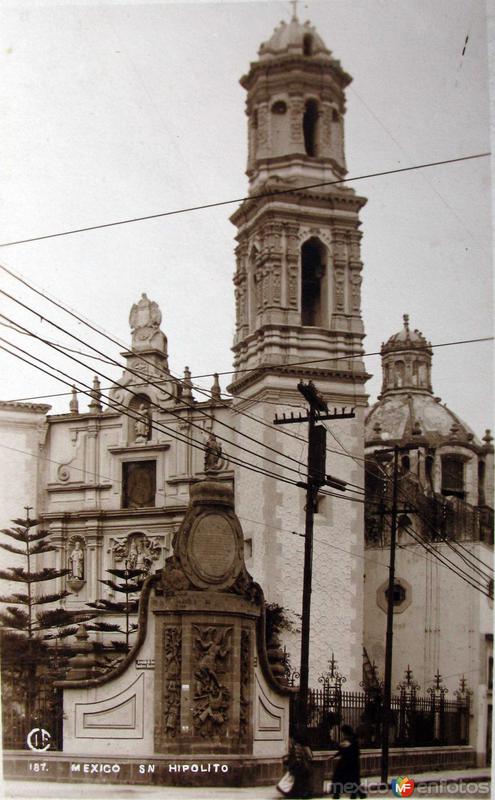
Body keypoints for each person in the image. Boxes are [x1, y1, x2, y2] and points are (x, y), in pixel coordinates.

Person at [331, 725, 366, 799]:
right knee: (353, 780)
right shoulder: (351, 740)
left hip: (348, 764)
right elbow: (342, 750)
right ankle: (358, 794)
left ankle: (338, 794)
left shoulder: (352, 741)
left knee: (341, 779)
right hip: (350, 764)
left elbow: (345, 750)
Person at [277, 733, 313, 799]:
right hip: (301, 767)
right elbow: (310, 757)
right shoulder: (303, 748)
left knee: (295, 781)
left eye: (291, 739)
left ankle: (296, 793)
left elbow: (295, 757)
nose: (290, 741)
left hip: (298, 767)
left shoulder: (297, 747)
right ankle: (302, 794)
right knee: (300, 781)